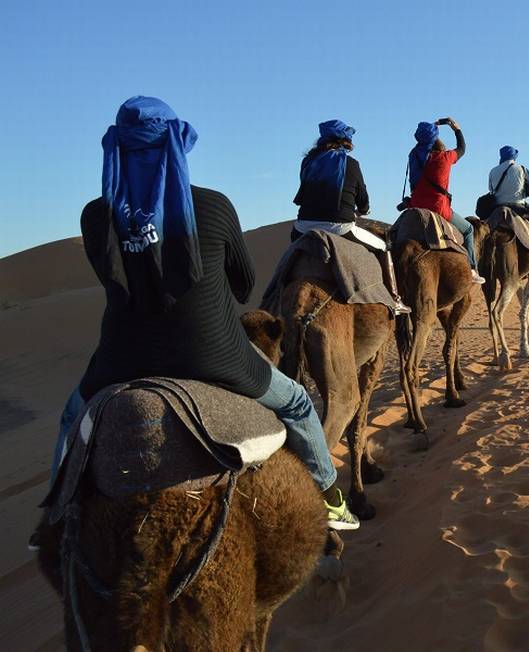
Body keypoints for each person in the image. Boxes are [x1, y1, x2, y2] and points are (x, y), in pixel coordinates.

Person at [38, 97, 359, 549]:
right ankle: (330, 498)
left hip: (120, 360)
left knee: (73, 417)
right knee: (299, 404)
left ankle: (53, 519)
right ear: (177, 144)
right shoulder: (214, 204)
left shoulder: (96, 215)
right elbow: (244, 285)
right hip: (215, 355)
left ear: (115, 150)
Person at [293, 119, 410, 314]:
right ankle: (395, 298)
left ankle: (272, 296)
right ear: (344, 140)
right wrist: (363, 210)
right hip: (340, 227)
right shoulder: (351, 164)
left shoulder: (308, 162)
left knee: (290, 256)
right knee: (383, 247)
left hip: (304, 227)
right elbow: (362, 197)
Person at [407, 118, 485, 284]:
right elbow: (462, 148)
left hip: (415, 206)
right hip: (438, 208)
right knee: (469, 230)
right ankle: (472, 269)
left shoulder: (413, 155)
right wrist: (456, 129)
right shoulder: (445, 157)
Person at [488, 145, 529, 257]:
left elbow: (491, 190)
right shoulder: (522, 169)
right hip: (518, 207)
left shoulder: (493, 171)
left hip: (496, 207)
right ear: (514, 157)